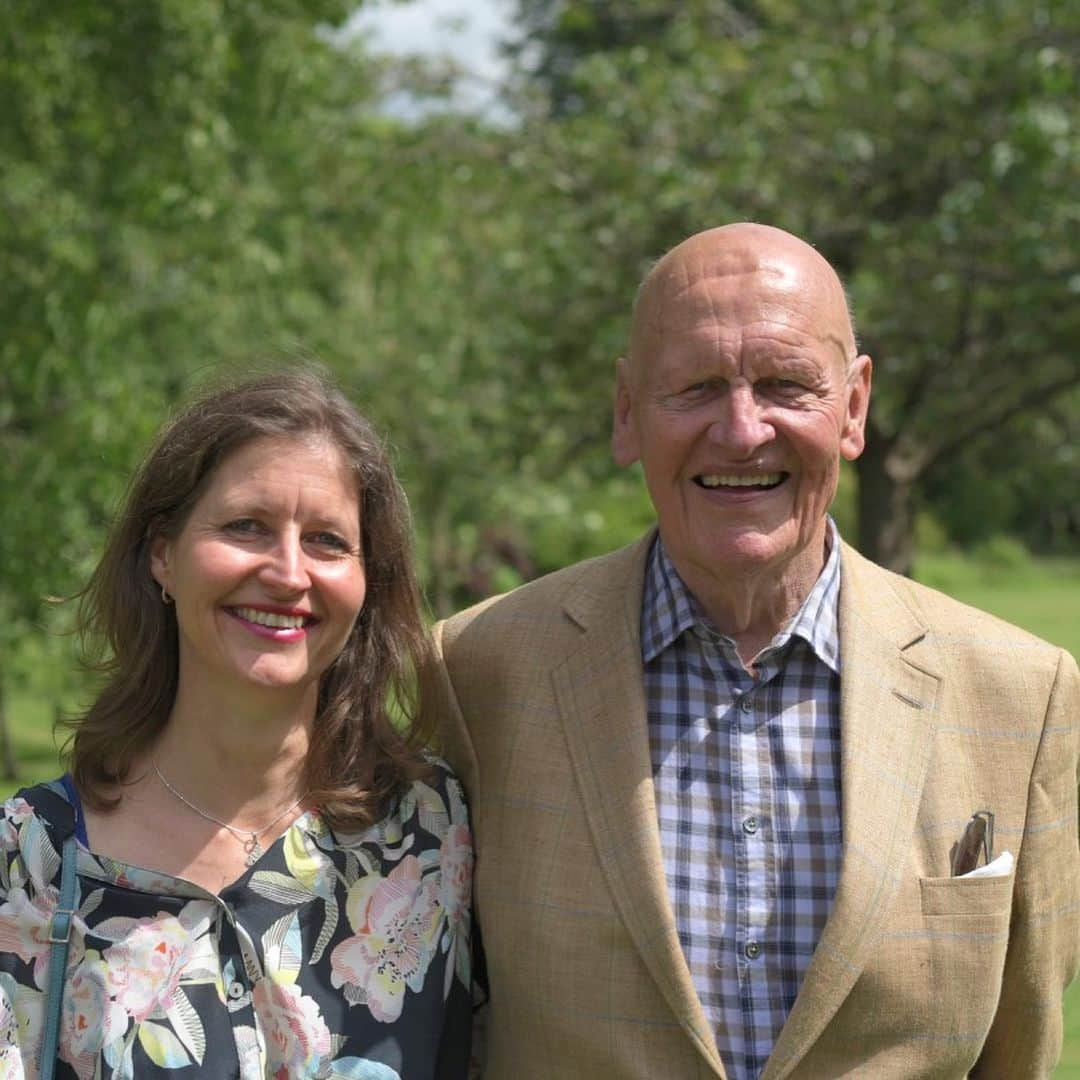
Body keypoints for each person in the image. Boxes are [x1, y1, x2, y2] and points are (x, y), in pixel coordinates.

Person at [430, 223, 1079, 1078]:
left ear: (852, 408)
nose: (741, 432)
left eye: (785, 385)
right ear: (627, 413)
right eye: (695, 387)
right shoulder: (478, 671)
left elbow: (1025, 1048)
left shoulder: (1020, 696)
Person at [0, 369, 472, 1079]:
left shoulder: (433, 834)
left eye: (326, 541)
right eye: (247, 526)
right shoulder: (31, 862)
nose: (288, 572)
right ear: (163, 555)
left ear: (367, 581)